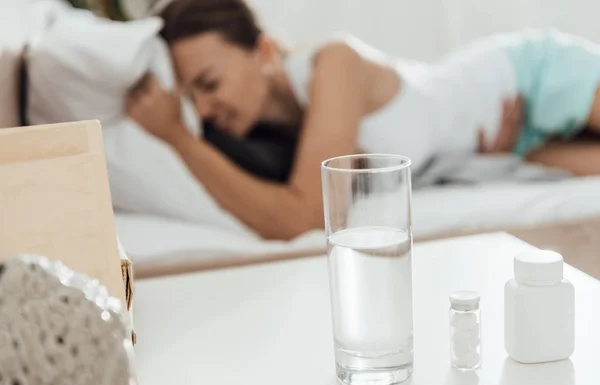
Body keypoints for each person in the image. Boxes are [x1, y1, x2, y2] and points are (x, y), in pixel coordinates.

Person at [126, 0, 600, 240]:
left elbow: (305, 218)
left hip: (522, 80)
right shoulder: (286, 134)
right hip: (510, 144)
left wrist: (177, 138)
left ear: (264, 51)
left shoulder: (335, 62)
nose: (205, 111)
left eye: (209, 84)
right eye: (191, 99)